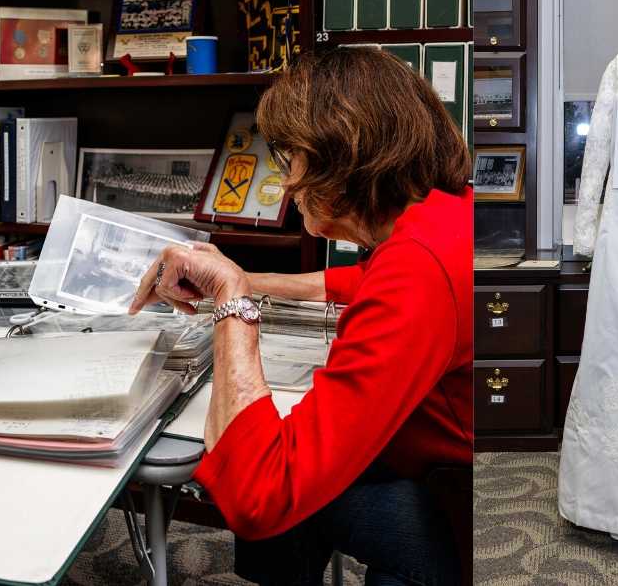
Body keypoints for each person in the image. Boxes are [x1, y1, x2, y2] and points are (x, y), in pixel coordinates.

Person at [131, 46, 473, 585]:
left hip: (455, 508)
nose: (286, 182)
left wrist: (232, 299)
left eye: (290, 157)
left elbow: (258, 495)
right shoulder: (442, 220)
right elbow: (352, 284)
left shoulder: (416, 270)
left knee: (265, 472)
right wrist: (237, 275)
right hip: (437, 460)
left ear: (340, 155)